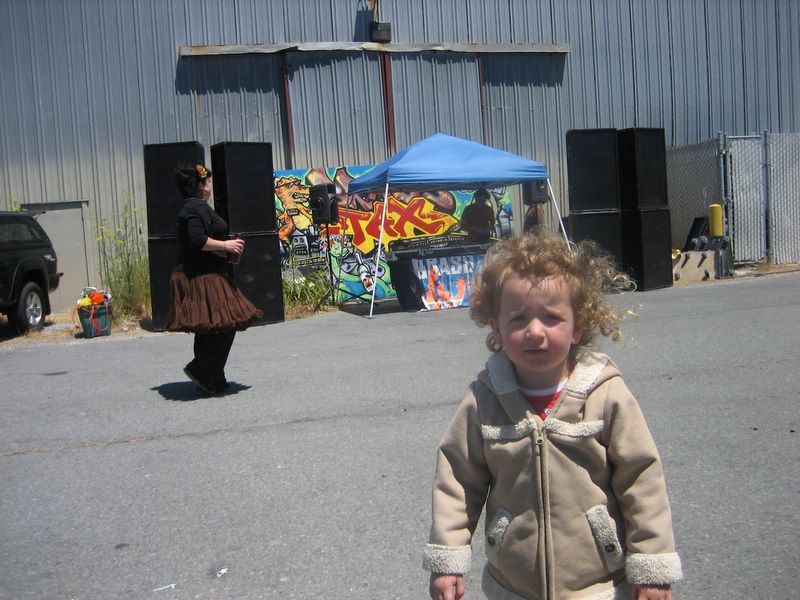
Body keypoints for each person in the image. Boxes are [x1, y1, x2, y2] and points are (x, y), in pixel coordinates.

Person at [423, 234, 682, 600]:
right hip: (513, 586)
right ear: (497, 328)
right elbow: (458, 480)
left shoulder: (605, 394)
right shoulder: (485, 399)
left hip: (597, 586)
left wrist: (652, 565)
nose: (534, 331)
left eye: (551, 317)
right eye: (518, 318)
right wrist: (447, 560)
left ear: (577, 326)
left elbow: (641, 478)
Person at [167, 163, 263, 394]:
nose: (210, 185)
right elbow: (197, 239)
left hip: (205, 271)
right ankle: (201, 370)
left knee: (209, 326)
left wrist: (226, 251)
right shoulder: (195, 208)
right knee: (228, 322)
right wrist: (226, 245)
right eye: (208, 181)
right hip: (201, 275)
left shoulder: (194, 207)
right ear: (201, 186)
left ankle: (212, 378)